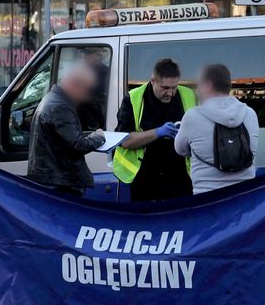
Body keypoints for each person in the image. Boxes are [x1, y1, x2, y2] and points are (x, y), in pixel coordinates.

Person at [112, 58, 195, 202]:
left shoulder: (189, 95)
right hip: (145, 181)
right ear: (152, 81)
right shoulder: (133, 98)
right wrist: (157, 132)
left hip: (180, 180)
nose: (170, 93)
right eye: (165, 88)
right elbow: (124, 141)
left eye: (174, 87)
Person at [174, 63, 259, 194]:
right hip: (244, 198)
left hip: (207, 201)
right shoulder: (250, 113)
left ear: (208, 85)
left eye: (199, 85)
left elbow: (180, 149)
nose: (197, 90)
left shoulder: (192, 116)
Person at [27, 63, 106, 197]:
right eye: (86, 90)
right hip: (61, 183)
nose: (86, 96)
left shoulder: (52, 99)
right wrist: (99, 137)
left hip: (54, 178)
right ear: (74, 84)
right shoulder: (60, 107)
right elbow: (78, 144)